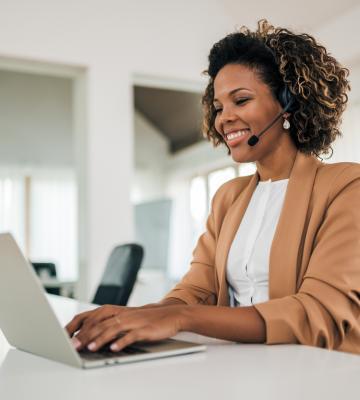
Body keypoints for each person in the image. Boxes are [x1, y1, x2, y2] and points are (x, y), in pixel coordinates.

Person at [66, 20, 360, 354]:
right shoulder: (228, 198)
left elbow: (318, 313)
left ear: (288, 103)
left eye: (241, 100)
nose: (223, 118)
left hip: (321, 373)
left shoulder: (347, 187)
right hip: (241, 367)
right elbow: (195, 291)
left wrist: (182, 318)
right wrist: (128, 316)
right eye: (219, 107)